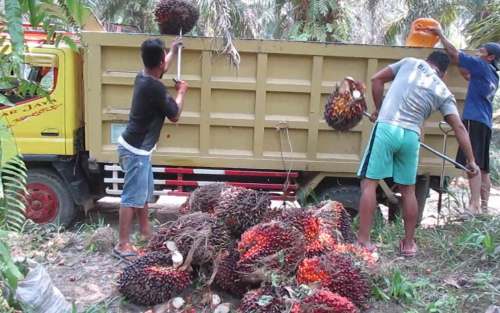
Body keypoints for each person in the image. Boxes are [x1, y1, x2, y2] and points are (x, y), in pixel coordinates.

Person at [356, 51, 479, 257]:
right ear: (444, 73)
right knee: (408, 191)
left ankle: (364, 241)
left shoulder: (411, 63)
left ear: (428, 61)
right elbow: (458, 126)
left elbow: (376, 79)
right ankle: (409, 244)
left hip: (388, 128)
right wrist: (472, 161)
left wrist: (378, 110)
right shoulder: (443, 90)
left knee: (369, 184)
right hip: (411, 137)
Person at [113, 38, 188, 261]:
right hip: (136, 152)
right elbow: (174, 114)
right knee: (131, 197)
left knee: (143, 194)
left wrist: (173, 51)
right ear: (157, 62)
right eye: (164, 55)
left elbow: (162, 67)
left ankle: (146, 232)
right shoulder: (154, 87)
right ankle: (123, 244)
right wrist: (182, 91)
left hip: (138, 150)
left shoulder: (143, 76)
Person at [423, 26, 499, 214]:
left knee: (472, 163)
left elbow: (455, 55)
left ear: (490, 57)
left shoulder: (480, 65)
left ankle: (473, 206)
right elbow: (468, 75)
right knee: (484, 168)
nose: (478, 53)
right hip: (485, 123)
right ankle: (483, 206)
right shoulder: (493, 75)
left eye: (481, 51)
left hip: (473, 119)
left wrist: (440, 34)